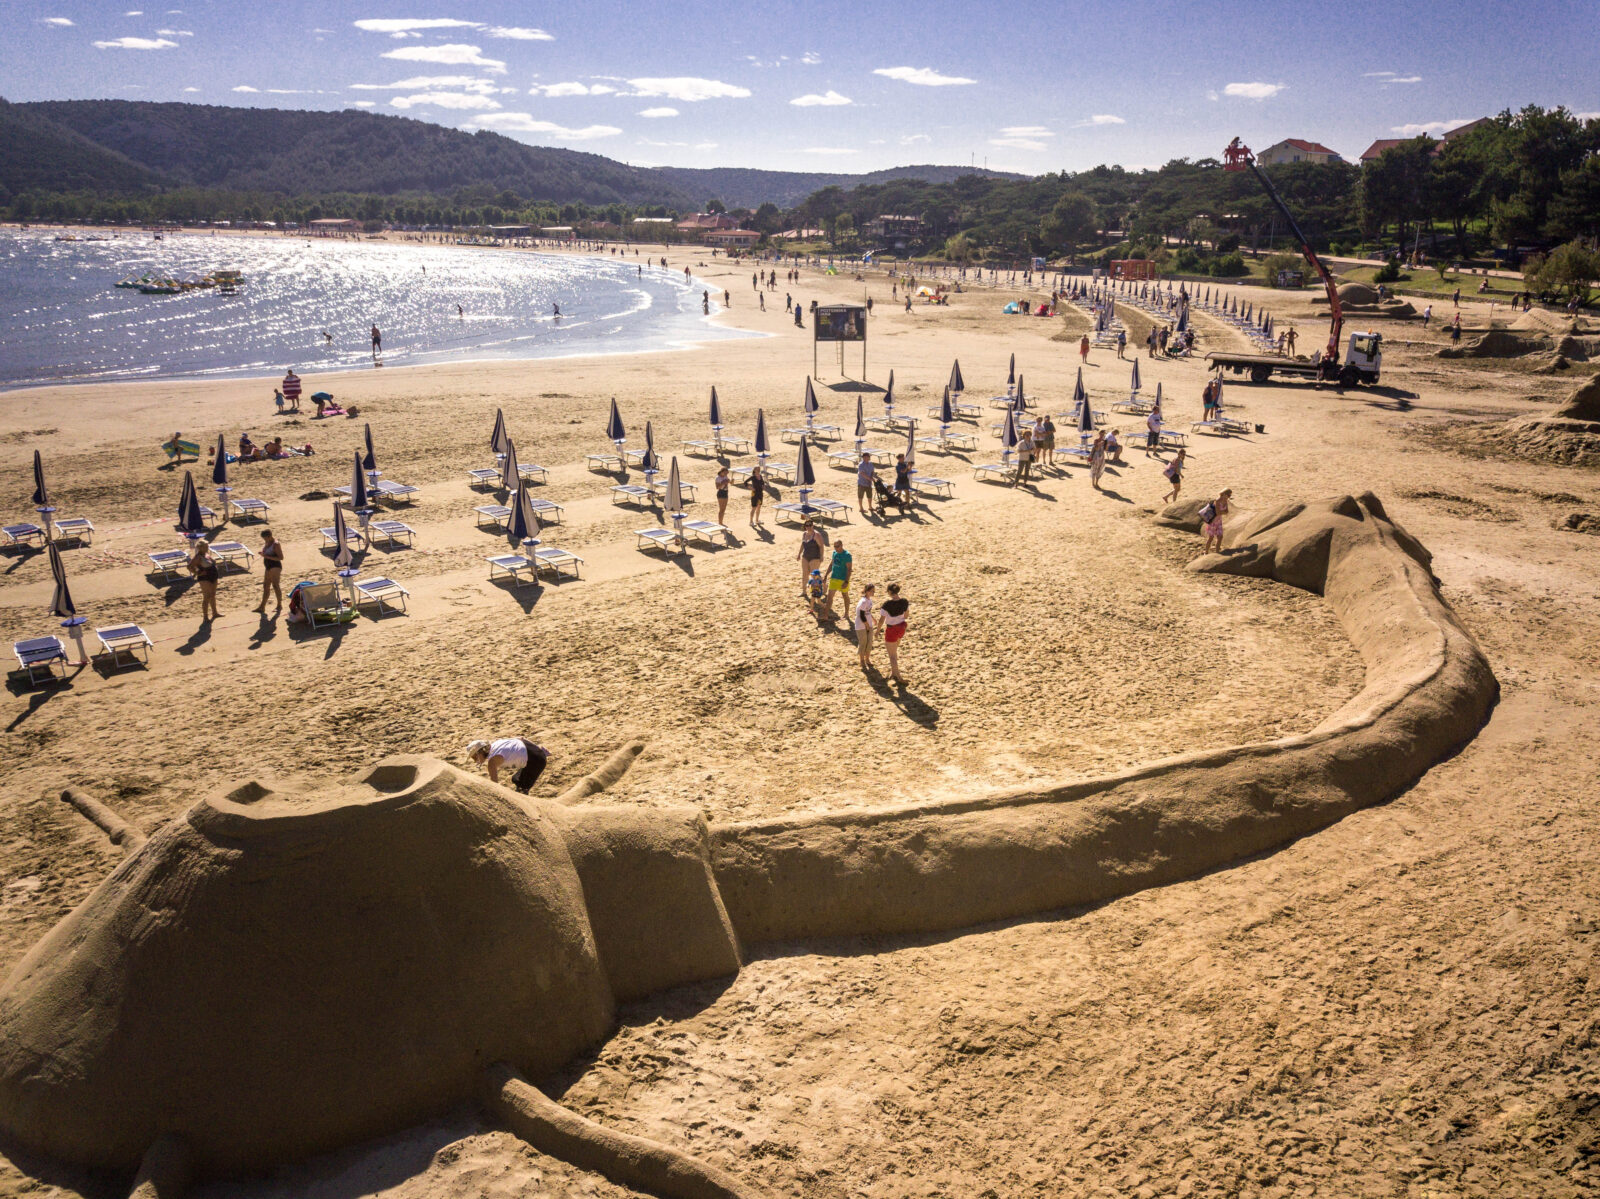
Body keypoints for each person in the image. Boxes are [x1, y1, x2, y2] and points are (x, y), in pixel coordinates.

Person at [465, 737, 549, 794]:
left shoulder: (492, 762)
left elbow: (495, 786)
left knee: (522, 787)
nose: (475, 761)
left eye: (474, 757)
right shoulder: (497, 743)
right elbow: (520, 738)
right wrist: (539, 750)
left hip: (536, 760)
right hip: (535, 751)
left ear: (480, 752)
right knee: (516, 778)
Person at [880, 582, 909, 685]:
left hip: (891, 629)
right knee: (894, 651)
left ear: (889, 592)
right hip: (901, 628)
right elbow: (906, 616)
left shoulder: (887, 604)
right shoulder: (904, 601)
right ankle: (894, 673)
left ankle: (899, 677)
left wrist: (877, 630)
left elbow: (881, 620)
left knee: (892, 655)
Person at [189, 538, 220, 623]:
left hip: (213, 575)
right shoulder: (198, 557)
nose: (207, 548)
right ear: (200, 548)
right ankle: (205, 617)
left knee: (213, 595)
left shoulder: (206, 554)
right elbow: (189, 567)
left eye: (207, 546)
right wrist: (197, 573)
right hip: (205, 578)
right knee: (206, 597)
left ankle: (215, 613)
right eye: (206, 546)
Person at [255, 528, 283, 613]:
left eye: (265, 538)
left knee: (275, 586)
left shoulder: (276, 544)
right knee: (266, 586)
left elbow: (281, 557)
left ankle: (279, 605)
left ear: (269, 536)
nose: (264, 540)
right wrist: (263, 554)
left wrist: (267, 557)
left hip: (275, 566)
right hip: (268, 566)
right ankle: (262, 606)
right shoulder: (267, 542)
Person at [797, 519, 827, 596]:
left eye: (810, 525)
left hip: (815, 557)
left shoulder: (817, 535)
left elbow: (821, 546)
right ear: (805, 526)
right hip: (805, 556)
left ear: (813, 525)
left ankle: (824, 586)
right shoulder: (804, 534)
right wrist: (799, 554)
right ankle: (804, 591)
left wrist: (821, 556)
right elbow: (802, 544)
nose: (808, 527)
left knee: (814, 575)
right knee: (805, 574)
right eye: (807, 525)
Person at [825, 539, 852, 617]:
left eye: (837, 546)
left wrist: (846, 581)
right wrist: (826, 575)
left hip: (843, 579)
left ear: (841, 545)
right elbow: (831, 564)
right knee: (829, 597)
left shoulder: (847, 555)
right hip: (834, 578)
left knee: (845, 595)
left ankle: (846, 613)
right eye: (834, 546)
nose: (836, 548)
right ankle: (825, 615)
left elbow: (849, 569)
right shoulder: (834, 553)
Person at [854, 583, 878, 670]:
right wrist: (867, 625)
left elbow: (868, 612)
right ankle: (862, 660)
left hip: (868, 624)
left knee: (869, 642)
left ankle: (867, 659)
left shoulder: (869, 601)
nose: (873, 593)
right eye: (872, 591)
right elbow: (861, 615)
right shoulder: (863, 601)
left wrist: (873, 619)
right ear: (867, 591)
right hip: (861, 625)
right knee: (863, 642)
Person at [1201, 488, 1232, 553]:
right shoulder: (1217, 501)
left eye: (1230, 496)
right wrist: (1222, 512)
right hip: (1212, 522)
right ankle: (1206, 551)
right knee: (1211, 538)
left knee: (1220, 537)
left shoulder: (1225, 501)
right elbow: (1218, 512)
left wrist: (1222, 512)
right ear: (1224, 494)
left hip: (1219, 521)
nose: (1229, 497)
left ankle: (1217, 552)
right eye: (1228, 495)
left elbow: (1226, 511)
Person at [856, 452, 877, 517]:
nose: (868, 458)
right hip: (862, 483)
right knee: (860, 496)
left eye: (868, 457)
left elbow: (872, 471)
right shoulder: (861, 464)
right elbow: (862, 473)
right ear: (864, 457)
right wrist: (870, 479)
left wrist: (872, 476)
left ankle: (870, 507)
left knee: (869, 495)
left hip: (868, 483)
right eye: (867, 457)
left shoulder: (870, 464)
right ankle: (861, 508)